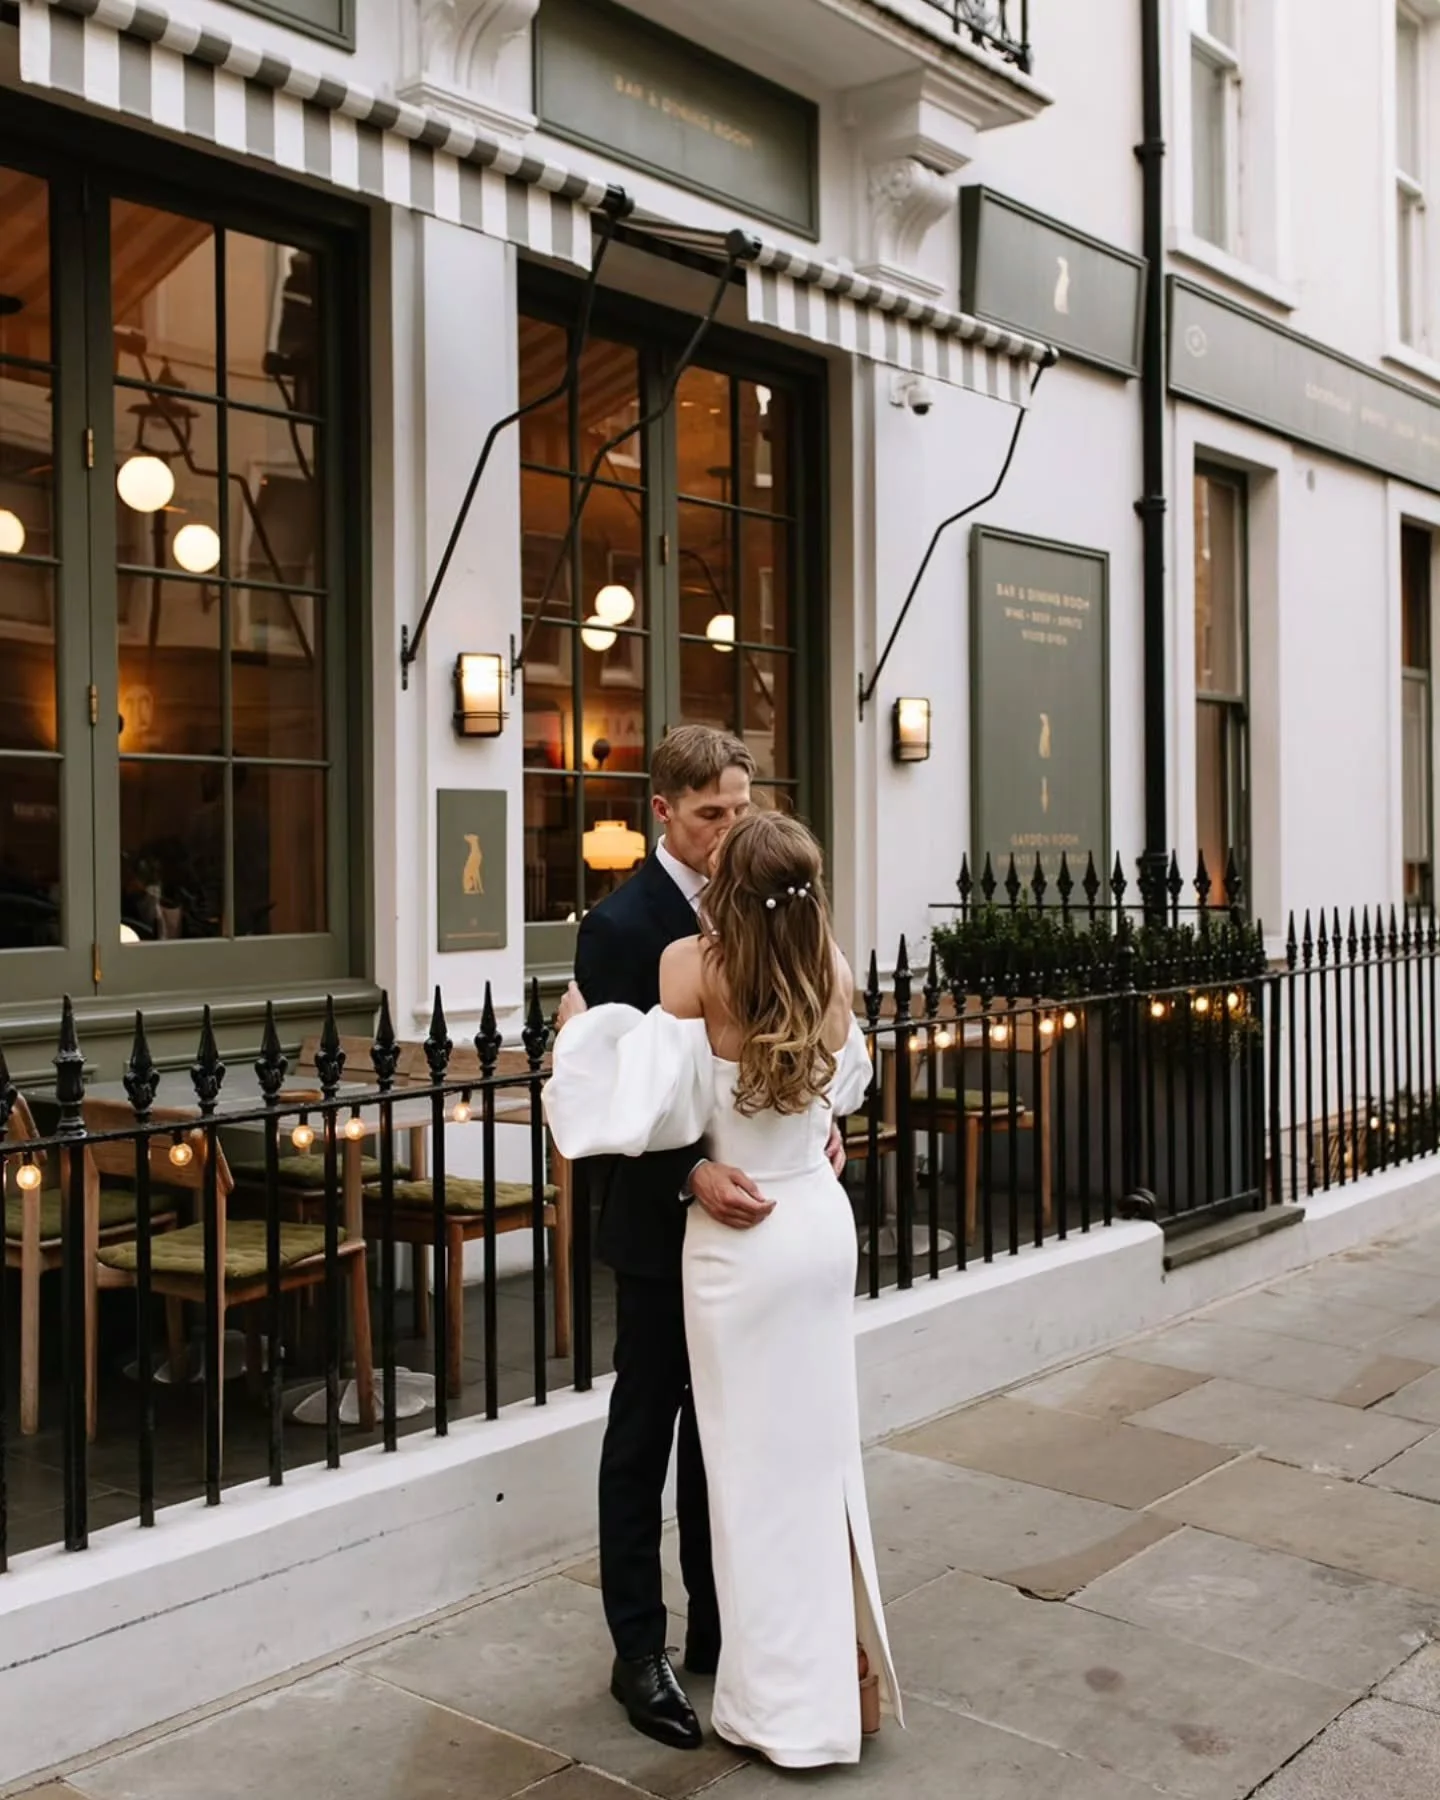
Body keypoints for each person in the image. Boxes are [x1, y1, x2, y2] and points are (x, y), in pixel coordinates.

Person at [547, 810, 902, 1768]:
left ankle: (769, 1688)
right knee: (811, 1460)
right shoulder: (828, 965)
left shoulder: (690, 965)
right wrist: (813, 1127)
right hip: (815, 1224)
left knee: (745, 1470)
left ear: (732, 885)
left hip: (739, 1248)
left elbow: (648, 1108)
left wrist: (578, 1035)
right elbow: (843, 1082)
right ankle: (806, 1679)